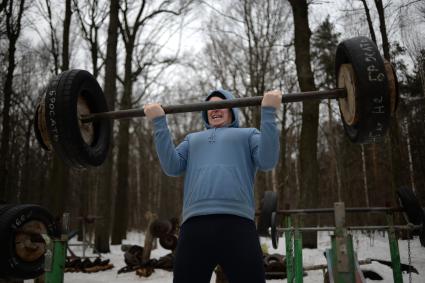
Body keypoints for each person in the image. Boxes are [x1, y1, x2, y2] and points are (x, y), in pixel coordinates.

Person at [143, 89, 282, 283]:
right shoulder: (193, 139)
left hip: (238, 225)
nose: (214, 110)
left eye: (220, 105)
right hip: (194, 227)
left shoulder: (248, 134)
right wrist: (158, 122)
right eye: (210, 107)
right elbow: (172, 167)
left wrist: (268, 111)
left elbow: (268, 160)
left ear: (232, 110)